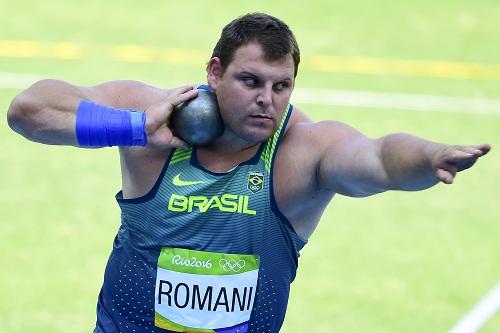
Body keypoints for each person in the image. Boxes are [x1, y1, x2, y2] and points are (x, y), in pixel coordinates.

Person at [7, 12, 490, 333]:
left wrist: (430, 157)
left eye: (282, 86)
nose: (267, 99)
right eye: (251, 81)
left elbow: (379, 158)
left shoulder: (302, 152)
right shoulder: (150, 117)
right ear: (214, 73)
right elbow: (28, 111)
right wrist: (130, 126)